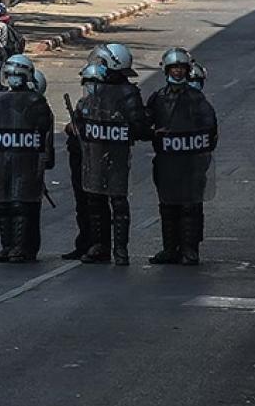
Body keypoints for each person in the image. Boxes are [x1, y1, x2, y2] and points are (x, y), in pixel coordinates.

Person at [73, 43, 151, 266]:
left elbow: (139, 126)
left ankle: (120, 249)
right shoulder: (95, 88)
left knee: (117, 201)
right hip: (95, 152)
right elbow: (82, 115)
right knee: (95, 200)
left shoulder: (128, 93)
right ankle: (100, 246)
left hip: (116, 154)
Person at [145, 48, 218, 266]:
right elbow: (144, 123)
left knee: (190, 206)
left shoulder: (197, 98)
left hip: (191, 162)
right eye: (174, 67)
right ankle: (170, 249)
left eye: (181, 67)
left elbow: (211, 129)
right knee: (167, 205)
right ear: (167, 69)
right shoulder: (157, 98)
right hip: (167, 161)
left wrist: (199, 152)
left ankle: (190, 249)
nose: (177, 71)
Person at [0, 55, 54, 263]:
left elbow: (44, 133)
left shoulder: (36, 101)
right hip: (3, 160)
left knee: (22, 205)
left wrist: (45, 160)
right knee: (4, 205)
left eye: (18, 75)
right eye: (10, 75)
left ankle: (21, 247)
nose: (14, 79)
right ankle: (6, 246)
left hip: (27, 161)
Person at [61, 63, 107, 260]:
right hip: (79, 157)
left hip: (99, 158)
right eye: (88, 82)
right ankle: (84, 243)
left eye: (95, 82)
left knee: (96, 203)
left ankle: (100, 244)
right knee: (81, 203)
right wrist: (71, 127)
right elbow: (76, 124)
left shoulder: (107, 105)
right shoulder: (83, 104)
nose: (91, 86)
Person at [0, 3, 24, 93]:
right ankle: (4, 91)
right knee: (4, 73)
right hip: (8, 52)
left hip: (0, 52)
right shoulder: (9, 22)